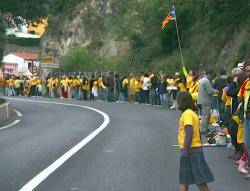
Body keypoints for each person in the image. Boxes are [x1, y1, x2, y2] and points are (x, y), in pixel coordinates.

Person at [177, 91, 214, 191]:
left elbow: (189, 131)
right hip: (193, 150)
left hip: (191, 151)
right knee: (187, 180)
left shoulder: (187, 114)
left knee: (194, 181)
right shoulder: (190, 113)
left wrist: (185, 150)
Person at [197, 69, 217, 134]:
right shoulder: (206, 81)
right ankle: (203, 130)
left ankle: (204, 128)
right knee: (205, 116)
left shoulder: (202, 80)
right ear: (209, 74)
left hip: (202, 100)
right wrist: (215, 91)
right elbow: (210, 91)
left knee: (205, 115)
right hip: (205, 101)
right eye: (212, 75)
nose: (212, 77)